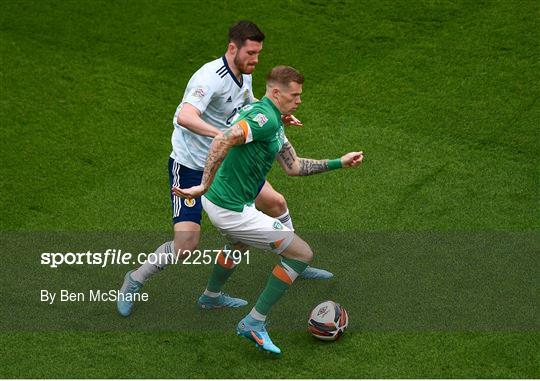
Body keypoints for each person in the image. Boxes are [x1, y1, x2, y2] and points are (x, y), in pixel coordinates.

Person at [117, 21, 330, 317]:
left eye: (258, 53)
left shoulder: (244, 74)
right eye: (251, 53)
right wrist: (221, 135)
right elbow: (185, 116)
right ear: (233, 48)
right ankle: (134, 279)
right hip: (191, 167)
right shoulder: (209, 78)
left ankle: (292, 259)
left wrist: (276, 114)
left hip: (227, 167)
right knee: (186, 244)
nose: (256, 60)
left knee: (275, 202)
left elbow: (246, 103)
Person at [173, 66, 363, 354]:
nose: (299, 100)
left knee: (238, 244)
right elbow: (223, 139)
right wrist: (202, 185)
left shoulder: (273, 119)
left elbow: (294, 167)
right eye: (294, 95)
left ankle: (210, 297)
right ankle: (254, 322)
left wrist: (340, 162)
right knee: (301, 254)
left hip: (230, 201)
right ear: (276, 92)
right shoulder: (263, 120)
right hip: (229, 207)